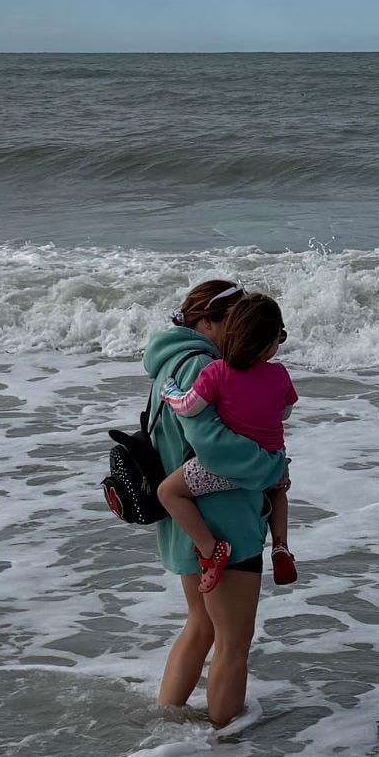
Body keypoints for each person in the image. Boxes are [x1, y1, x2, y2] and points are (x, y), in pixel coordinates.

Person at [142, 280, 291, 729]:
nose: (241, 328)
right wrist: (271, 469)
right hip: (223, 520)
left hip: (189, 522)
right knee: (233, 640)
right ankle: (226, 749)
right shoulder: (202, 366)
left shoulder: (171, 361)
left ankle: (165, 728)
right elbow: (212, 446)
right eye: (234, 319)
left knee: (202, 627)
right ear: (207, 321)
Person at [154, 290, 298, 595]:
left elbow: (189, 406)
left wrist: (170, 393)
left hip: (223, 472)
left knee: (167, 491)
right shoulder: (279, 373)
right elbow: (285, 410)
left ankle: (210, 549)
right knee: (279, 489)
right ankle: (281, 545)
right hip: (270, 456)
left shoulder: (216, 371)